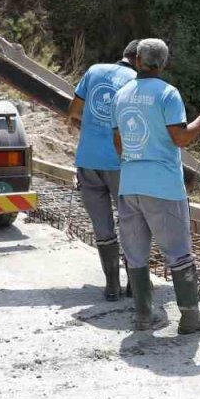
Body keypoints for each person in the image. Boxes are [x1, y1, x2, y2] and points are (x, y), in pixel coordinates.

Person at [113, 39, 200, 333]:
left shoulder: (121, 95)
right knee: (178, 252)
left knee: (135, 253)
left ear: (138, 61)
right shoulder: (167, 94)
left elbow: (118, 145)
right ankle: (189, 317)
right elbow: (181, 138)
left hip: (129, 184)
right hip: (162, 186)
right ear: (163, 64)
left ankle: (143, 315)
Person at [67, 40, 140, 301]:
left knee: (102, 226)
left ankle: (111, 287)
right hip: (119, 165)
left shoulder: (94, 71)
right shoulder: (137, 82)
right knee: (131, 223)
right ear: (140, 60)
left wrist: (93, 127)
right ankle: (135, 286)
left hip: (87, 160)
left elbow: (73, 112)